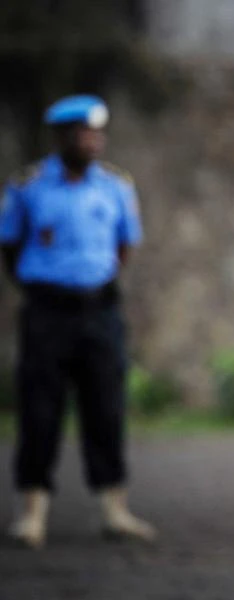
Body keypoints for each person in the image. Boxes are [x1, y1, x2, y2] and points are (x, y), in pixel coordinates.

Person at [0, 95, 156, 548]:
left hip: (100, 312)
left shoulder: (115, 187)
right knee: (39, 410)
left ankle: (114, 508)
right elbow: (10, 246)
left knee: (106, 408)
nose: (92, 141)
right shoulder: (28, 187)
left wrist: (95, 282)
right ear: (62, 137)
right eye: (83, 134)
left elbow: (125, 247)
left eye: (97, 133)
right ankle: (32, 512)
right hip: (47, 313)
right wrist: (48, 284)